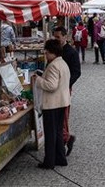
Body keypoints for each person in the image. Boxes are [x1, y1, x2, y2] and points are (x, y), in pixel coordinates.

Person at [33, 39, 70, 169]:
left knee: (50, 134)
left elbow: (51, 85)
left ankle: (49, 162)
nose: (46, 55)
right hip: (62, 102)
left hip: (53, 104)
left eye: (47, 53)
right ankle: (60, 158)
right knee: (58, 132)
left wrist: (38, 80)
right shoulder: (62, 63)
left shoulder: (53, 65)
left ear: (52, 52)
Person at [53, 26, 81, 156]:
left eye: (58, 37)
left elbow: (77, 72)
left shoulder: (71, 52)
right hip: (53, 87)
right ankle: (63, 140)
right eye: (55, 37)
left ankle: (66, 139)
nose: (56, 39)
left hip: (64, 88)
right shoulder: (55, 49)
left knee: (63, 115)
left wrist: (66, 84)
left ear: (65, 36)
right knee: (57, 115)